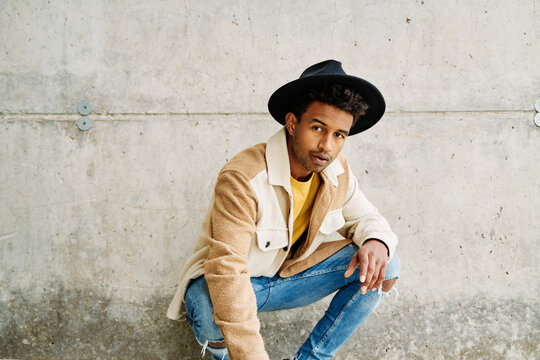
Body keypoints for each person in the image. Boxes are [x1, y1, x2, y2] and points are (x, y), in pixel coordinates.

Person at [167, 60, 401, 360]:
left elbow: (367, 217)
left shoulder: (336, 170)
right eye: (318, 128)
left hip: (289, 280)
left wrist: (376, 242)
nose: (327, 146)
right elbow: (227, 271)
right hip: (237, 285)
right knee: (204, 299)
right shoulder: (244, 177)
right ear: (292, 123)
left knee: (387, 263)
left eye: (339, 135)